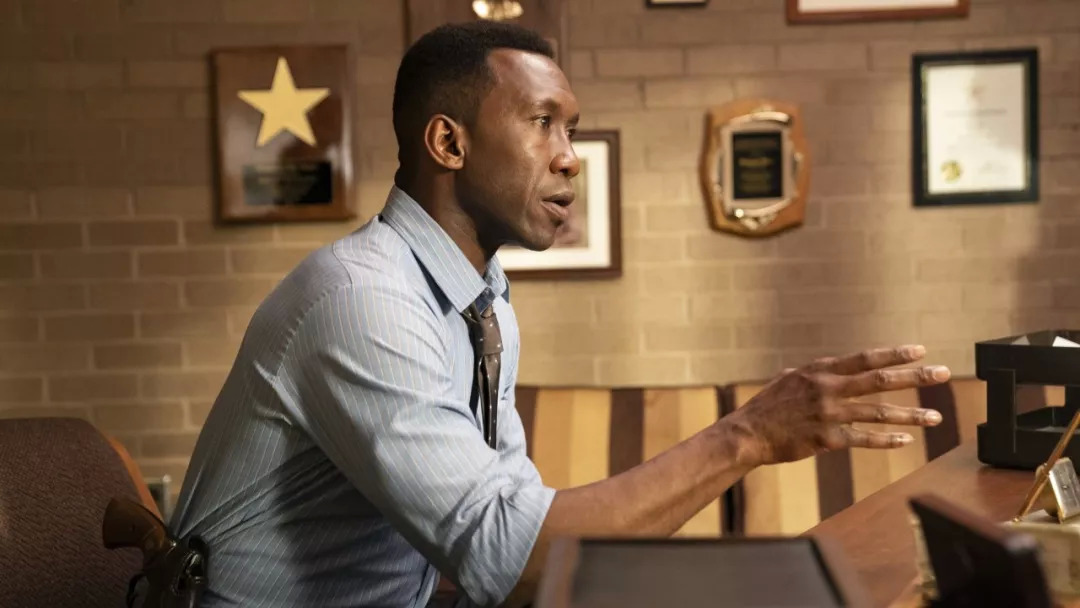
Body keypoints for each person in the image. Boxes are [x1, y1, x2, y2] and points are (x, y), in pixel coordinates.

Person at [168, 20, 950, 608]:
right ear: (449, 143)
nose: (570, 154)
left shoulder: (482, 304)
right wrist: (747, 435)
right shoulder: (363, 303)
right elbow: (515, 558)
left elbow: (518, 528)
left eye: (569, 128)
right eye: (543, 122)